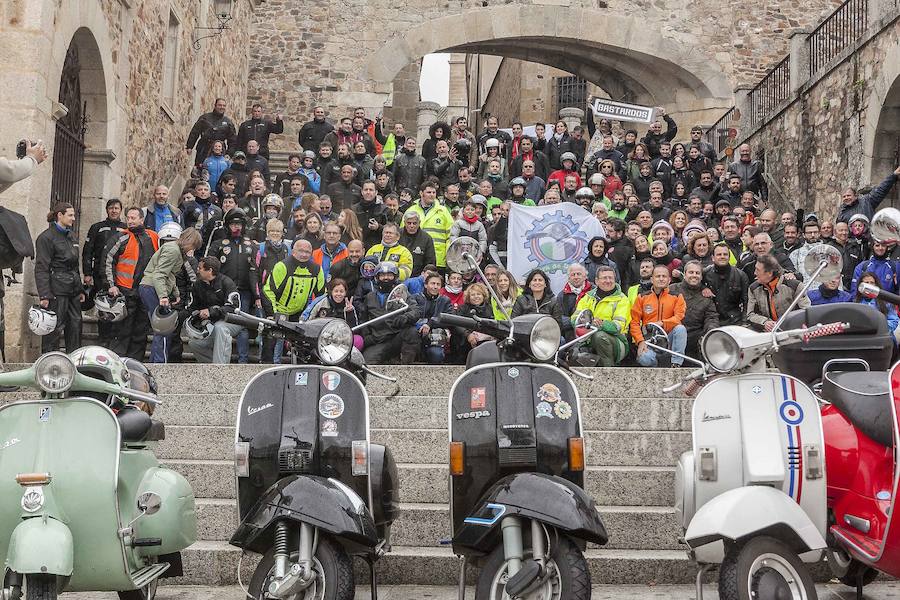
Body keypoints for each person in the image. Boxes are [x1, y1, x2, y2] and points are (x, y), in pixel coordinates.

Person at [101, 206, 159, 358]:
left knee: (141, 330)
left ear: (142, 219)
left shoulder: (153, 236)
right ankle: (118, 361)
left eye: (134, 218)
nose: (130, 221)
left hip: (146, 290)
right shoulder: (121, 237)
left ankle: (136, 362)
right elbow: (107, 261)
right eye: (128, 218)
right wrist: (111, 285)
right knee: (122, 329)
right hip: (125, 290)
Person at [139, 225, 203, 363]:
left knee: (162, 328)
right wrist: (163, 296)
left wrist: (175, 292)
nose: (192, 250)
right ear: (188, 241)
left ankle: (155, 362)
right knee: (163, 329)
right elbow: (159, 274)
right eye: (193, 246)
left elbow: (169, 275)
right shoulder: (173, 250)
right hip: (152, 288)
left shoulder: (176, 250)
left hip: (153, 287)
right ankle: (160, 363)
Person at [262, 239, 326, 362]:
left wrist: (312, 314)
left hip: (300, 313)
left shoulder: (317, 269)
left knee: (303, 347)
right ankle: (265, 366)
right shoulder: (282, 266)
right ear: (293, 251)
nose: (304, 254)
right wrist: (272, 312)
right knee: (269, 343)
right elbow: (268, 290)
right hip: (278, 310)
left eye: (307, 252)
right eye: (301, 251)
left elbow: (321, 296)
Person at [206, 208, 256, 363]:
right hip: (223, 291)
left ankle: (243, 360)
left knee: (243, 325)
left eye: (239, 224)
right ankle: (216, 356)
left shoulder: (251, 245)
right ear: (227, 225)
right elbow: (208, 266)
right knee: (220, 322)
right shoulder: (218, 244)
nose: (237, 227)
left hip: (245, 292)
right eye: (233, 224)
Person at [34, 202, 84, 352]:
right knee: (54, 328)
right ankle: (49, 362)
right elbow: (41, 268)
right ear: (59, 215)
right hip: (56, 290)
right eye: (70, 215)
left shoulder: (71, 236)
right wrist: (44, 294)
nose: (73, 218)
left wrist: (80, 289)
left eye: (74, 215)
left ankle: (74, 362)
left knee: (75, 326)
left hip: (73, 289)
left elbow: (75, 265)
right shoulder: (46, 238)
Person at [358, 262, 421, 363]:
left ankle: (406, 367)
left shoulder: (402, 294)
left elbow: (416, 310)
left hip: (397, 337)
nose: (386, 278)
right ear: (377, 277)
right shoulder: (369, 297)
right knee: (367, 362)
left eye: (389, 275)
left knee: (412, 332)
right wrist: (367, 337)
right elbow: (363, 319)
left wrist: (406, 317)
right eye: (382, 275)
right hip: (378, 340)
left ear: (395, 277)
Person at [186, 257, 242, 364]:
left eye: (200, 268)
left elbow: (234, 308)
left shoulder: (227, 282)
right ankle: (212, 369)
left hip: (233, 321)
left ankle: (220, 369)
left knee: (220, 327)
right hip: (212, 325)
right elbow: (192, 308)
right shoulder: (197, 285)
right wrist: (196, 315)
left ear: (210, 270)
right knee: (194, 344)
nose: (197, 270)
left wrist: (210, 312)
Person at [572, 265, 631, 366]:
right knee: (572, 352)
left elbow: (618, 326)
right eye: (604, 278)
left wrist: (600, 324)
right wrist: (590, 322)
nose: (608, 281)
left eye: (611, 278)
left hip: (617, 341)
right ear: (596, 281)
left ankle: (609, 372)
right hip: (588, 338)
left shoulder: (622, 299)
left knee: (599, 337)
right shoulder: (587, 297)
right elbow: (574, 319)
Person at [746, 254, 809, 332]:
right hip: (767, 333)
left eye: (757, 270)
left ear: (769, 273)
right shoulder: (753, 288)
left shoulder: (795, 286)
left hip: (793, 330)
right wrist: (765, 322)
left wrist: (787, 324)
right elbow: (751, 314)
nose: (754, 273)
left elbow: (806, 311)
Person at [669, 260, 718, 357]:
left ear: (701, 277)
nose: (694, 275)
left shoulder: (706, 295)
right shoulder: (672, 290)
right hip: (672, 337)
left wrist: (711, 331)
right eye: (691, 272)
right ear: (685, 274)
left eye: (697, 273)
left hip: (695, 340)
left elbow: (711, 317)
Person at [703, 243, 749, 325]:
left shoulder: (741, 275)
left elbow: (746, 302)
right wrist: (702, 288)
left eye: (725, 254)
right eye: (719, 254)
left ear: (729, 257)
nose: (722, 256)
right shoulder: (705, 273)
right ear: (713, 258)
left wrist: (744, 322)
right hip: (712, 319)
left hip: (735, 320)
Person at [185, 98, 237, 166]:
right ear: (215, 106)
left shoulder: (228, 122)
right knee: (200, 169)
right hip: (204, 149)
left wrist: (229, 154)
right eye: (220, 105)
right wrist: (190, 146)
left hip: (220, 151)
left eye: (224, 106)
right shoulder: (205, 118)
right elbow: (195, 132)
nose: (222, 107)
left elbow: (233, 140)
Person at [416, 272, 452, 364]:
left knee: (436, 355)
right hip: (417, 335)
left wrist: (430, 324)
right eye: (432, 283)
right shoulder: (416, 298)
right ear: (425, 285)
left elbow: (449, 319)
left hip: (436, 338)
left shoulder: (445, 300)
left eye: (438, 284)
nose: (435, 287)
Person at [855, 271, 900, 342]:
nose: (869, 285)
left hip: (884, 339)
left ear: (876, 285)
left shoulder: (886, 302)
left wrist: (877, 327)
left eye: (872, 283)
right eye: (866, 283)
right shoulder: (855, 303)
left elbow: (894, 321)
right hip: (863, 341)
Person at [557, 263, 593, 341]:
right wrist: (576, 321)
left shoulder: (593, 291)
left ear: (585, 276)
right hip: (570, 333)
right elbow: (559, 318)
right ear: (569, 278)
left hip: (591, 330)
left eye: (579, 274)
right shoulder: (562, 295)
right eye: (573, 275)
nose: (576, 277)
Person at [353, 180, 388, 248]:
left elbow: (392, 230)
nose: (368, 192)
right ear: (362, 192)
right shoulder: (353, 209)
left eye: (371, 190)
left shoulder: (385, 210)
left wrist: (378, 227)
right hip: (357, 247)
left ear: (376, 192)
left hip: (377, 248)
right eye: (366, 190)